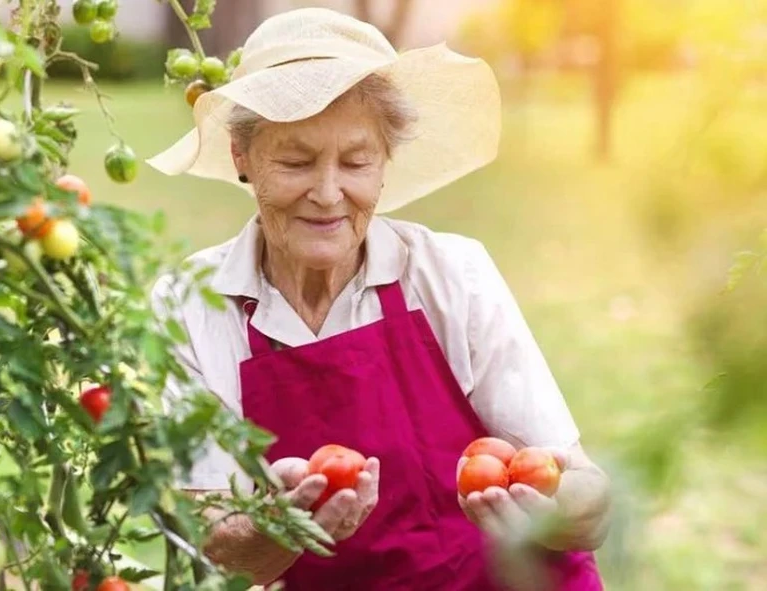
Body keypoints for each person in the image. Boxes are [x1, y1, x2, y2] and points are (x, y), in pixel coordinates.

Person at [147, 7, 611, 590]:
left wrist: (558, 510)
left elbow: (589, 496)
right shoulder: (192, 304)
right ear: (243, 157)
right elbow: (209, 540)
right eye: (295, 161)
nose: (327, 193)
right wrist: (281, 526)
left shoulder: (451, 274)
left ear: (385, 162)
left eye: (357, 161)